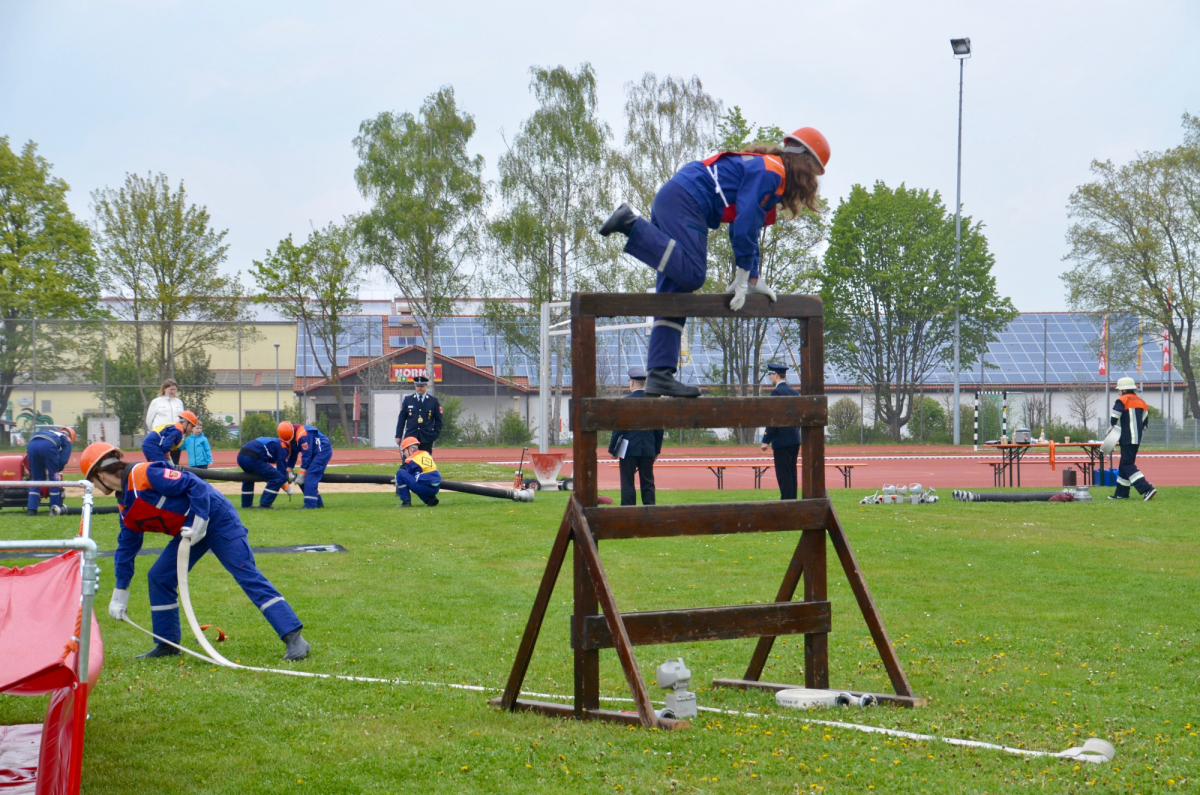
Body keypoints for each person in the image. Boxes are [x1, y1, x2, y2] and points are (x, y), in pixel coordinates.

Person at [600, 128, 828, 398]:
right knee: (694, 274)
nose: (810, 184)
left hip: (677, 197)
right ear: (805, 166)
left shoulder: (768, 171)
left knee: (674, 294)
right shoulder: (772, 171)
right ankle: (631, 224)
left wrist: (752, 277)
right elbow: (743, 226)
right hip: (687, 200)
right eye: (812, 176)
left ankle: (660, 374)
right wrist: (742, 276)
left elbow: (748, 226)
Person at [79, 442, 310, 661]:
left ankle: (294, 637)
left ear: (99, 475)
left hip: (218, 519)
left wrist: (200, 518)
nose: (96, 489)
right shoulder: (124, 505)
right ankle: (167, 644)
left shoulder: (144, 474)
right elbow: (126, 549)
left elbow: (195, 484)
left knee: (245, 572)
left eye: (91, 482)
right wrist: (120, 592)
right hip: (189, 532)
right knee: (159, 577)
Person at [608, 367, 663, 506]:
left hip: (628, 448)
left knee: (627, 483)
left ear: (632, 383)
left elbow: (618, 428)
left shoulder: (625, 402)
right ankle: (650, 512)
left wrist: (613, 449)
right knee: (648, 482)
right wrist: (656, 450)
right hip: (648, 447)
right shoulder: (654, 402)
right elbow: (659, 429)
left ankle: (627, 513)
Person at [1109, 376, 1156, 501]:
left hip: (1126, 437)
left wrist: (1111, 426)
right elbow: (1145, 420)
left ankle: (1147, 488)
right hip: (1137, 438)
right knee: (1124, 464)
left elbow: (1115, 416)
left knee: (1127, 464)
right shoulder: (1141, 401)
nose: (1118, 392)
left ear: (1123, 390)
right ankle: (1121, 493)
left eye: (1119, 390)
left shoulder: (1122, 400)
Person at [760, 363, 801, 500]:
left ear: (775, 375)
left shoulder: (776, 393)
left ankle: (787, 502)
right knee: (792, 473)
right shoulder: (795, 392)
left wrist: (766, 440)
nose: (770, 378)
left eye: (770, 375)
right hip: (794, 439)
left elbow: (774, 418)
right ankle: (793, 502)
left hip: (782, 440)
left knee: (784, 475)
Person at [279, 421, 332, 509]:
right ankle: (318, 503)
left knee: (310, 475)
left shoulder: (303, 435)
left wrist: (301, 473)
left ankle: (310, 505)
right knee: (305, 477)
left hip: (322, 451)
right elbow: (293, 455)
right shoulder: (293, 437)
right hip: (316, 451)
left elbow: (306, 455)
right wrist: (289, 469)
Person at [25, 426, 75, 515]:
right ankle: (54, 508)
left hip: (32, 444)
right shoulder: (67, 439)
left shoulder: (51, 432)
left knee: (36, 479)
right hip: (48, 445)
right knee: (54, 479)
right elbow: (63, 459)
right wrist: (56, 469)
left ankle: (32, 510)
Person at [237, 436, 291, 509]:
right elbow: (281, 469)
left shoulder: (274, 441)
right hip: (252, 458)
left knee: (249, 478)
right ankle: (265, 504)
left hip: (241, 456)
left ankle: (246, 504)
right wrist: (286, 487)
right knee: (278, 477)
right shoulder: (283, 446)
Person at [395, 375, 442, 454]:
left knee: (424, 462)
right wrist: (398, 435)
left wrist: (435, 434)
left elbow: (439, 420)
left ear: (426, 386)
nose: (419, 388)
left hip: (426, 437)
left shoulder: (433, 401)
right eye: (417, 386)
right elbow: (401, 420)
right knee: (409, 460)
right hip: (411, 436)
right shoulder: (408, 400)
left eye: (422, 386)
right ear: (415, 386)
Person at [145, 379, 186, 465]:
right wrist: (156, 431)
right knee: (160, 464)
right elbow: (149, 420)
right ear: (164, 389)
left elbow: (182, 420)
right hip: (161, 437)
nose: (173, 391)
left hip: (174, 437)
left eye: (174, 389)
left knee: (174, 464)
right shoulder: (156, 402)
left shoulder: (179, 402)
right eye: (171, 389)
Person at [396, 436, 441, 507]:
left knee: (400, 473)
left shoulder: (410, 459)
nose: (404, 454)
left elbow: (410, 478)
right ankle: (430, 499)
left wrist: (398, 482)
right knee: (419, 479)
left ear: (410, 449)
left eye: (404, 451)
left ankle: (406, 502)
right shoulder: (426, 454)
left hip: (424, 488)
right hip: (437, 487)